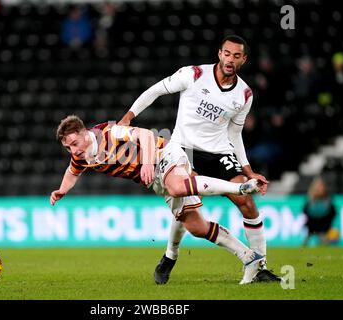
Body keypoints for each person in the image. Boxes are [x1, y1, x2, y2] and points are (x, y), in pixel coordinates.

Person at [118, 35, 280, 283]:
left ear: (243, 60)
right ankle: (171, 254)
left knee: (246, 201)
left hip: (218, 152)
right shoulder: (193, 74)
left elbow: (235, 134)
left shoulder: (244, 94)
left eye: (237, 56)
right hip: (184, 149)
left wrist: (248, 171)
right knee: (189, 217)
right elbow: (155, 90)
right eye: (227, 53)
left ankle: (261, 266)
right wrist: (129, 116)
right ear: (219, 54)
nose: (230, 59)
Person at [50, 115, 269, 284]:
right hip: (155, 179)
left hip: (164, 155)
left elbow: (145, 135)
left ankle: (239, 188)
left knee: (177, 187)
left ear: (84, 133)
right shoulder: (80, 156)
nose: (73, 150)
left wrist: (146, 162)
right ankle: (248, 256)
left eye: (74, 143)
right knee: (196, 227)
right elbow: (72, 172)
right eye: (68, 147)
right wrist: (62, 190)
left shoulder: (109, 132)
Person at [302, 177, 337, 246]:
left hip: (323, 225)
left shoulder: (328, 199)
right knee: (306, 240)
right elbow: (305, 210)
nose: (319, 188)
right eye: (318, 186)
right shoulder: (310, 199)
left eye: (321, 186)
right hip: (312, 224)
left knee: (324, 241)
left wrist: (327, 221)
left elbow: (333, 212)